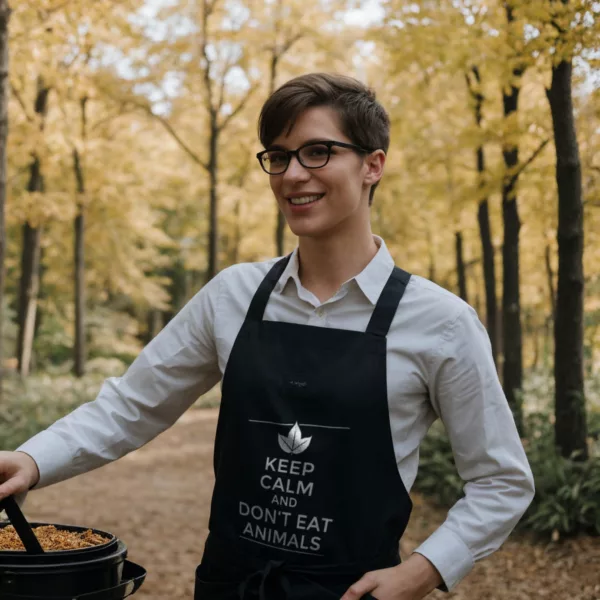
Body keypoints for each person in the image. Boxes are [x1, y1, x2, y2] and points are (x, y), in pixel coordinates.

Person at [0, 73, 535, 600]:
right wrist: (32, 460)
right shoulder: (231, 294)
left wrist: (421, 572)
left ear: (373, 165)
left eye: (318, 152)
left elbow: (501, 480)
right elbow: (132, 406)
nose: (293, 174)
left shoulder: (441, 322)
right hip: (229, 585)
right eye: (279, 157)